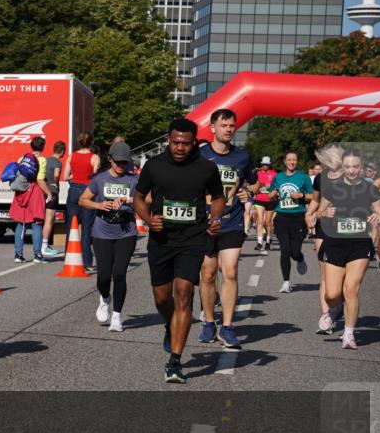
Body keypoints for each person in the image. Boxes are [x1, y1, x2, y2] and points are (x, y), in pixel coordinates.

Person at [134, 118, 224, 384]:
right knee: (162, 299)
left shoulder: (206, 168)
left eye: (186, 143)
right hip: (161, 240)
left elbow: (218, 198)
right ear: (168, 140)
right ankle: (169, 323)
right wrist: (149, 220)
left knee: (184, 294)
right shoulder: (154, 166)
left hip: (192, 240)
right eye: (175, 142)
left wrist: (215, 218)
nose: (180, 148)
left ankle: (175, 361)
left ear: (193, 142)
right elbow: (138, 197)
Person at [197, 109, 256, 351]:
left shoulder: (242, 157)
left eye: (232, 125)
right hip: (205, 222)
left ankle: (228, 326)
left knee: (230, 272)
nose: (229, 129)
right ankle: (209, 322)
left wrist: (248, 191)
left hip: (232, 221)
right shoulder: (200, 155)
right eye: (224, 125)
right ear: (213, 128)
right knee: (208, 275)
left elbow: (253, 181)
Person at [314, 149, 380, 349]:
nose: (352, 171)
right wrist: (324, 212)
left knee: (351, 289)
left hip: (359, 244)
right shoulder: (334, 188)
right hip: (335, 243)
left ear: (361, 167)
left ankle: (348, 334)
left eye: (355, 167)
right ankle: (332, 310)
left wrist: (378, 217)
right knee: (332, 294)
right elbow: (318, 213)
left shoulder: (370, 189)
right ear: (342, 167)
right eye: (348, 167)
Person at [79, 141, 138, 333]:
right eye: (118, 162)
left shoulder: (133, 180)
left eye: (125, 163)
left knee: (119, 273)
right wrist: (99, 205)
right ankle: (105, 298)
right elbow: (83, 200)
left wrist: (128, 200)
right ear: (110, 159)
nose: (121, 166)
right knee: (104, 276)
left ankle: (117, 316)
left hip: (126, 232)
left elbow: (147, 200)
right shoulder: (100, 179)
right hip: (102, 232)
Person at [306, 144, 345, 334]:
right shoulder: (321, 178)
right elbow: (315, 199)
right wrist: (309, 214)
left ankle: (340, 302)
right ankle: (326, 316)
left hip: (347, 230)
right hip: (323, 228)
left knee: (344, 280)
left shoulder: (351, 176)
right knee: (325, 274)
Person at [270, 152, 313, 293]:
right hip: (281, 217)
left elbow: (313, 196)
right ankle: (286, 282)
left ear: (297, 161)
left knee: (294, 253)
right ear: (285, 161)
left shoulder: (304, 178)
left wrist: (302, 195)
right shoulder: (279, 177)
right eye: (289, 160)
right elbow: (271, 194)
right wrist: (272, 194)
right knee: (285, 250)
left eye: (294, 160)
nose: (292, 162)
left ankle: (300, 258)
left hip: (298, 217)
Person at [9, 136, 53, 263]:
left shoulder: (22, 158)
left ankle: (18, 255)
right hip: (34, 192)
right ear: (43, 147)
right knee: (37, 223)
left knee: (20, 223)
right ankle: (37, 255)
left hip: (21, 193)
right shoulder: (42, 160)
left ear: (31, 146)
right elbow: (39, 179)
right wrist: (48, 193)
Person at [65, 131, 102, 272]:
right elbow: (95, 177)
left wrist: (76, 174)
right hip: (88, 191)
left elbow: (65, 176)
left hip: (73, 190)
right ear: (91, 142)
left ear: (79, 142)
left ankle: (69, 257)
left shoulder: (71, 156)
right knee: (87, 227)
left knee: (72, 225)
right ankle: (87, 261)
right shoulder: (94, 157)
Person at [41, 140, 67, 258]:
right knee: (49, 219)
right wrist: (55, 182)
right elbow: (56, 174)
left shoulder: (45, 160)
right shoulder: (57, 162)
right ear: (62, 151)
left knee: (44, 218)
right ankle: (44, 246)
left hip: (44, 190)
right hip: (52, 191)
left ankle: (43, 245)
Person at [252, 157, 277, 252]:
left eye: (266, 164)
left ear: (269, 165)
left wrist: (271, 187)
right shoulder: (257, 174)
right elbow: (253, 185)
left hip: (271, 200)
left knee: (268, 222)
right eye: (263, 164)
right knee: (260, 221)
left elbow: (278, 186)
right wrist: (256, 188)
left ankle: (268, 240)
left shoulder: (274, 174)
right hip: (259, 199)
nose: (264, 166)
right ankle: (259, 242)